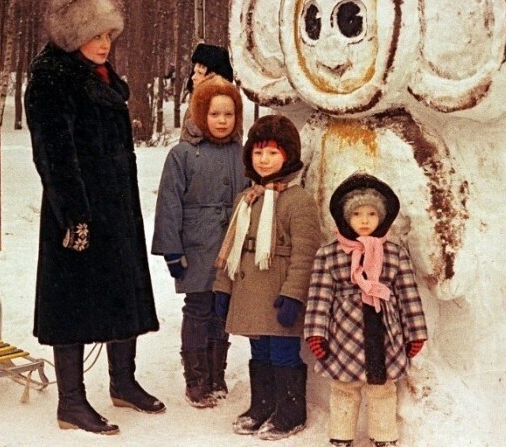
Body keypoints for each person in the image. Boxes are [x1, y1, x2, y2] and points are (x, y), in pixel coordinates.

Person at [24, 0, 163, 435]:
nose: (104, 44)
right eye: (95, 35)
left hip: (116, 208)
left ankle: (123, 383)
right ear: (72, 35)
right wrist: (75, 217)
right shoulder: (52, 78)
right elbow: (53, 154)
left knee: (121, 292)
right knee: (74, 304)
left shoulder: (99, 76)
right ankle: (71, 403)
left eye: (109, 35)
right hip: (78, 213)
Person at [213, 114, 322, 440]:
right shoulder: (246, 199)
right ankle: (262, 405)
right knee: (258, 351)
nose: (264, 159)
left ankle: (290, 411)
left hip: (278, 295)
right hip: (250, 295)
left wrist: (293, 295)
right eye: (258, 152)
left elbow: (306, 254)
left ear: (288, 156)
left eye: (273, 153)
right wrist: (223, 288)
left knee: (282, 352)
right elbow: (230, 247)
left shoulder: (297, 201)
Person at [304, 172, 429, 447]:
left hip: (385, 332)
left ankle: (384, 437)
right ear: (345, 218)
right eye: (357, 213)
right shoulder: (329, 253)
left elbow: (408, 295)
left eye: (371, 214)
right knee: (343, 388)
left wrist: (415, 333)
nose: (364, 220)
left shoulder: (395, 253)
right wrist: (316, 333)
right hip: (345, 332)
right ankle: (341, 436)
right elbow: (319, 297)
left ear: (382, 217)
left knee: (382, 388)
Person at [151, 75, 249, 408]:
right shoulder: (182, 154)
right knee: (198, 308)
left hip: (231, 244)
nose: (222, 121)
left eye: (229, 114)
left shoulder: (242, 152)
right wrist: (172, 251)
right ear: (200, 115)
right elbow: (169, 202)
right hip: (196, 245)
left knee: (222, 308)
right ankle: (196, 379)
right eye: (214, 114)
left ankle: (215, 372)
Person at [180, 43, 235, 145]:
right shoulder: (192, 109)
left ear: (216, 78)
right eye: (194, 72)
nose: (193, 77)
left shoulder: (229, 110)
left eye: (200, 73)